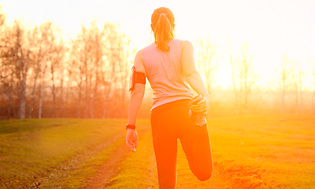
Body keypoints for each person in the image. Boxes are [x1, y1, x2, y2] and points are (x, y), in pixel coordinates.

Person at [126, 7, 213, 189]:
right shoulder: (184, 46)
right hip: (187, 112)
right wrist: (205, 96)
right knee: (204, 172)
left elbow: (137, 93)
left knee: (166, 183)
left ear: (152, 27)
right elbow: (191, 74)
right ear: (173, 25)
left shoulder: (141, 55)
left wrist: (130, 127)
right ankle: (202, 124)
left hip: (160, 118)